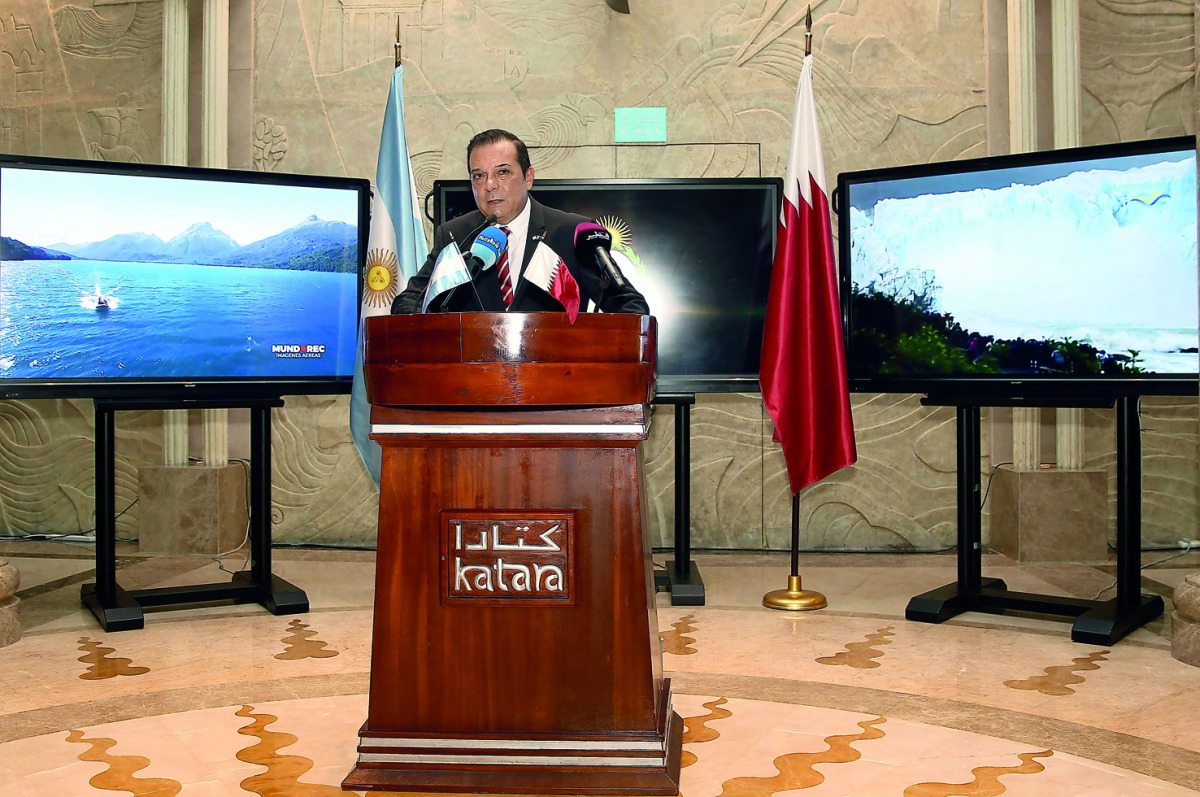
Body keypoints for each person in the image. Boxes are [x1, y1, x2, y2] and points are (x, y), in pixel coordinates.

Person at [392, 129, 648, 314]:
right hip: (474, 382)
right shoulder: (456, 235)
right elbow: (408, 303)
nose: (489, 185)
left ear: (528, 177)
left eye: (502, 172)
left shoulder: (570, 233)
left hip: (557, 380)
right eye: (478, 176)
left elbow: (631, 307)